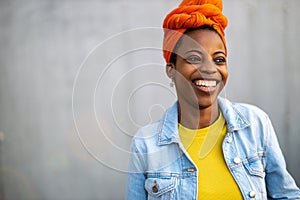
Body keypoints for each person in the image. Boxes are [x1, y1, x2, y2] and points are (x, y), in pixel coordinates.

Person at [126, 0, 300, 199]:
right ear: (171, 70)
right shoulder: (145, 144)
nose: (210, 69)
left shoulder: (256, 124)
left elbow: (287, 195)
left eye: (219, 59)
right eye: (193, 58)